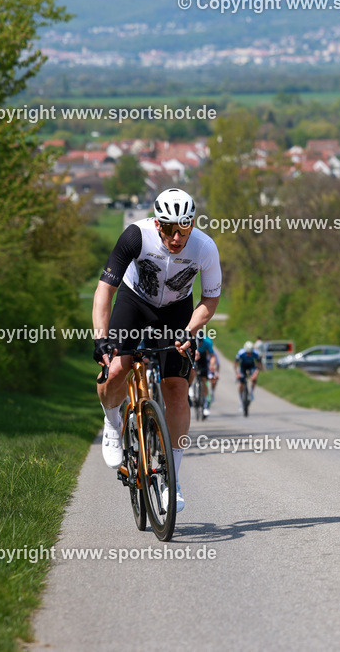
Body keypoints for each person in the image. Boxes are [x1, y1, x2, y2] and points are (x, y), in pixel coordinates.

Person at [93, 188, 221, 513]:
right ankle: (112, 420)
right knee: (117, 369)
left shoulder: (204, 247)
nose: (176, 237)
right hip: (134, 302)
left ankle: (172, 477)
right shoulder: (136, 235)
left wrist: (190, 332)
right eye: (168, 228)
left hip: (176, 312)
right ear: (156, 221)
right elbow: (105, 289)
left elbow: (210, 300)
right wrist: (101, 338)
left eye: (184, 228)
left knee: (177, 388)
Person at [194, 332, 218, 416]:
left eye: (200, 342)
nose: (199, 343)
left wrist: (212, 365)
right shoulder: (191, 339)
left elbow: (212, 356)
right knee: (191, 371)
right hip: (192, 355)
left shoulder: (207, 342)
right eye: (198, 342)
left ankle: (205, 406)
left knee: (204, 381)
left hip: (203, 357)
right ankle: (191, 388)